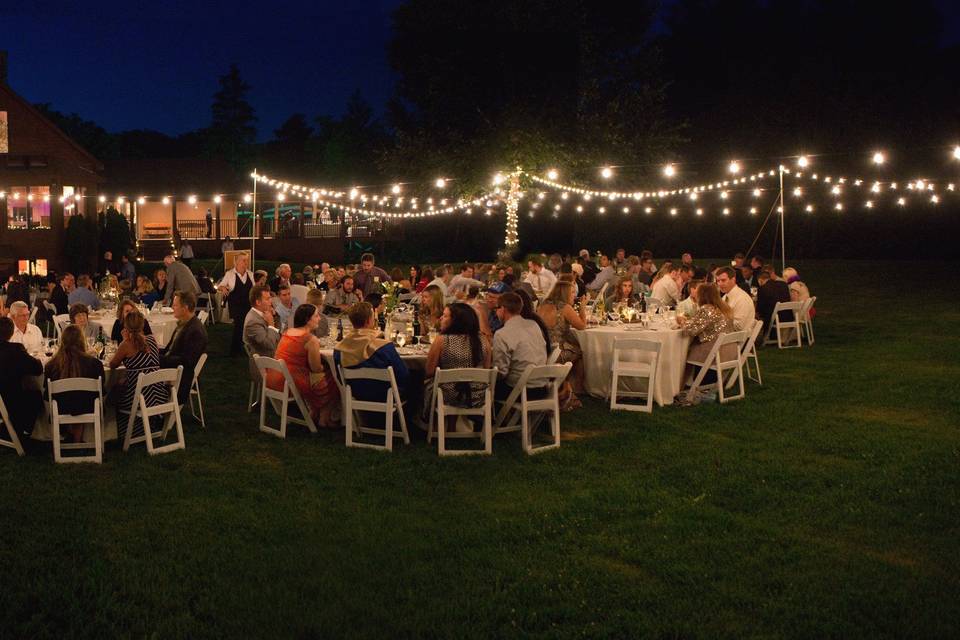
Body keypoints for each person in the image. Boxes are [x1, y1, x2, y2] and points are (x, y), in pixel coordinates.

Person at [268, 304, 339, 427]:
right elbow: (315, 368)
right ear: (307, 319)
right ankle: (325, 418)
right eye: (316, 316)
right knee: (334, 378)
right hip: (289, 382)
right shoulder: (310, 339)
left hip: (273, 378)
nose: (320, 319)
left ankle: (314, 413)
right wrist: (326, 368)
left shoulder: (288, 332)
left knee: (321, 376)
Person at [425, 303, 492, 429]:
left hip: (448, 396)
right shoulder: (483, 340)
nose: (440, 319)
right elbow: (487, 369)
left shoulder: (442, 340)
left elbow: (429, 371)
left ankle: (429, 424)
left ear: (455, 321)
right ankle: (452, 426)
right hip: (477, 396)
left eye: (445, 316)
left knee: (424, 382)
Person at [334, 301, 410, 406]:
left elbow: (340, 378)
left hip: (356, 394)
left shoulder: (339, 349)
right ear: (369, 320)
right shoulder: (384, 347)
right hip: (386, 396)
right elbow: (403, 375)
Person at [108, 311, 165, 442]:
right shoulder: (151, 339)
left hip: (138, 398)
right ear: (142, 324)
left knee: (111, 396)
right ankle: (148, 427)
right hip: (158, 394)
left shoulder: (126, 345)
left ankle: (116, 432)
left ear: (126, 327)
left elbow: (112, 365)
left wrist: (124, 341)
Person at [44, 324, 105, 443]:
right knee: (81, 398)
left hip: (61, 408)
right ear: (82, 340)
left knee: (70, 398)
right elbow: (102, 389)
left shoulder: (51, 365)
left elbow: (47, 394)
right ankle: (77, 438)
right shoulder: (94, 364)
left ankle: (70, 435)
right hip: (88, 407)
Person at [538, 281, 587, 408]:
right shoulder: (565, 308)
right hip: (557, 351)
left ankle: (567, 388)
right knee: (580, 352)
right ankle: (575, 392)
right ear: (564, 293)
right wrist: (582, 307)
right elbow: (582, 326)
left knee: (573, 350)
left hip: (542, 350)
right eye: (571, 292)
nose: (574, 294)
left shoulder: (542, 305)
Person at [492, 293, 548, 401]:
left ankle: (491, 417)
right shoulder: (534, 325)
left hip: (521, 390)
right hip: (542, 388)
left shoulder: (501, 334)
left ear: (503, 309)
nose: (496, 312)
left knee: (486, 386)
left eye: (496, 308)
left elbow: (501, 372)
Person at [677, 282, 737, 380]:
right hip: (729, 350)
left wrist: (682, 322)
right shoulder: (724, 307)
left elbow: (692, 331)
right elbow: (700, 324)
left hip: (714, 354)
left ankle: (684, 383)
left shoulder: (707, 309)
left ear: (702, 295)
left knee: (683, 352)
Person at [0, 316, 43, 445]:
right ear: (11, 332)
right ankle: (23, 432)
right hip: (10, 400)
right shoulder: (15, 350)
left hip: (2, 398)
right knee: (36, 396)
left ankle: (10, 429)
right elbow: (37, 369)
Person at [159, 290, 208, 404]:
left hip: (178, 377)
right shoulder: (183, 324)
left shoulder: (195, 331)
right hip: (170, 367)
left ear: (185, 308)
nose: (172, 307)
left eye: (175, 305)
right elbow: (169, 350)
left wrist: (158, 359)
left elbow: (186, 361)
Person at [218, 252, 253, 356]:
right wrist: (223, 288)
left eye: (247, 260)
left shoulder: (250, 274)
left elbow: (254, 289)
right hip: (236, 304)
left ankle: (239, 347)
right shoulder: (230, 274)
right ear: (236, 262)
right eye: (243, 260)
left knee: (244, 325)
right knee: (239, 324)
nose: (246, 263)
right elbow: (220, 286)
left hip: (247, 304)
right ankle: (235, 350)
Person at [243, 284, 281, 358]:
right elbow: (270, 345)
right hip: (266, 361)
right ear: (258, 302)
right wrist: (271, 324)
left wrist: (274, 316)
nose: (271, 301)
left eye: (270, 298)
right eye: (267, 299)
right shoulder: (253, 322)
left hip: (274, 354)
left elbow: (278, 334)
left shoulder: (264, 313)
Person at [715, 266, 755, 331]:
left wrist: (718, 322)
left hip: (737, 338)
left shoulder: (742, 299)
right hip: (729, 334)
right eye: (718, 281)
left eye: (723, 280)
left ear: (733, 279)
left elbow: (739, 326)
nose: (720, 284)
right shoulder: (726, 296)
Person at [756, 269, 792, 334]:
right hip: (788, 316)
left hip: (774, 319)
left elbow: (760, 308)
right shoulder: (783, 284)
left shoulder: (762, 289)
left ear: (760, 280)